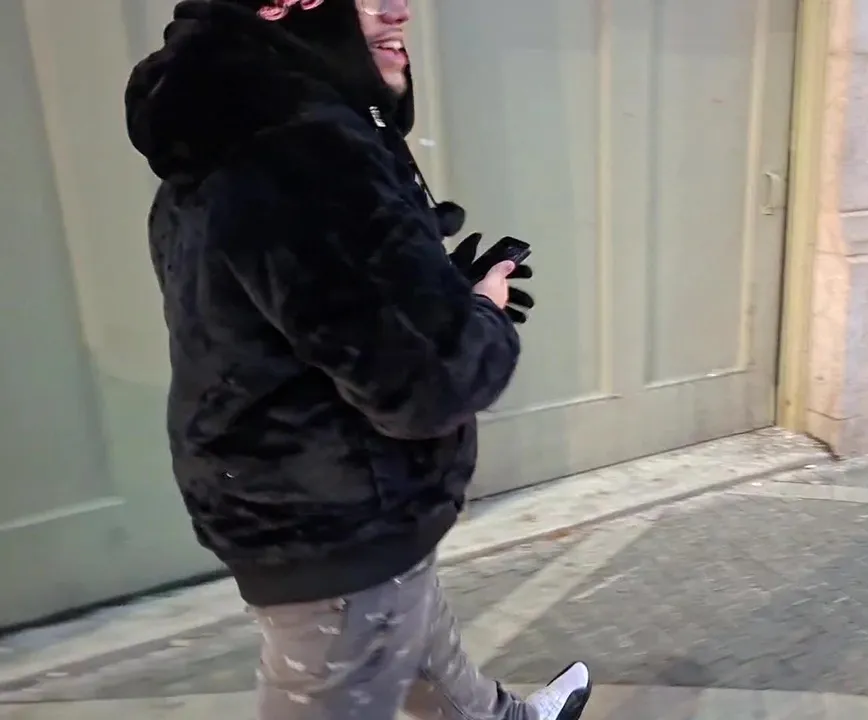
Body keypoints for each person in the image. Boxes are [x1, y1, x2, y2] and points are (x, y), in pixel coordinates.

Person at [123, 0, 590, 718]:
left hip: (311, 488)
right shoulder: (306, 150)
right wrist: (481, 314)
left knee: (420, 640)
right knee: (370, 639)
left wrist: (434, 293)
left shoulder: (222, 126)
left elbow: (290, 311)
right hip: (333, 519)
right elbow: (427, 384)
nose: (400, 9)